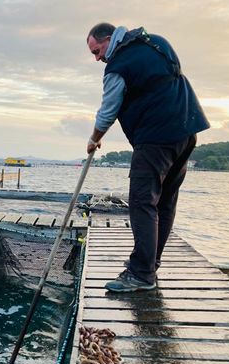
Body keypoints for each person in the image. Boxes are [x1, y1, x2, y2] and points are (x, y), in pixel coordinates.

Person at [85, 23, 210, 292]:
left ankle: (141, 274)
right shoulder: (157, 41)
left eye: (97, 50)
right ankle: (150, 266)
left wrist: (94, 139)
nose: (98, 58)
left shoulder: (117, 66)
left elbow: (108, 110)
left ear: (109, 39)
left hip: (155, 139)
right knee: (164, 203)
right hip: (186, 132)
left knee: (142, 202)